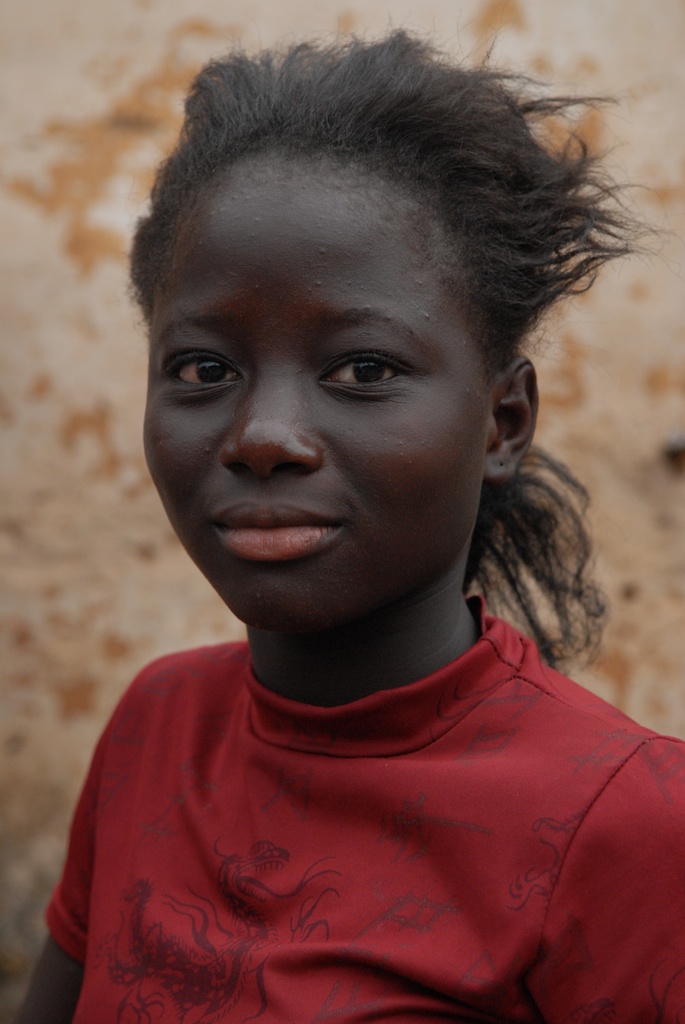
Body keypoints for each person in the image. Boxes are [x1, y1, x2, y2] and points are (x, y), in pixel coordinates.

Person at [16, 31, 685, 1024]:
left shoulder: (624, 823)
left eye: (363, 369)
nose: (262, 436)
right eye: (203, 368)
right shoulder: (156, 729)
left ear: (503, 422)